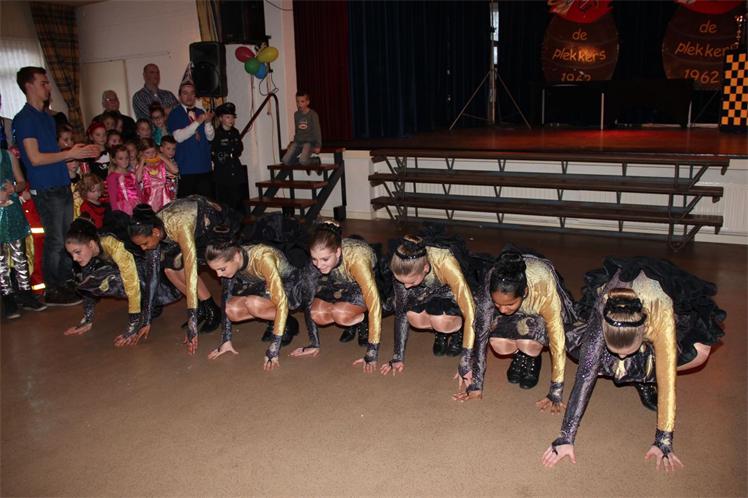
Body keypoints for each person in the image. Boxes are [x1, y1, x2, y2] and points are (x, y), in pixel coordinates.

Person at [542, 257, 725, 471]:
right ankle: (635, 369)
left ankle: (644, 377)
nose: (621, 358)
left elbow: (667, 377)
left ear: (644, 332)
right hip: (614, 309)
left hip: (657, 306)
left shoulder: (661, 313)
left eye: (627, 352)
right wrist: (566, 437)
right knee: (587, 354)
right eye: (615, 351)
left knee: (700, 352)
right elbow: (584, 375)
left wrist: (663, 439)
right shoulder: (603, 308)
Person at [12, 67, 99, 305]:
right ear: (29, 86)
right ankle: (53, 288)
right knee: (55, 239)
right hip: (46, 187)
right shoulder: (25, 119)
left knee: (65, 237)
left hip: (60, 182)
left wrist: (77, 152)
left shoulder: (47, 118)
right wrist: (69, 153)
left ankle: (65, 280)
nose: (48, 87)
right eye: (43, 83)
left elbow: (52, 153)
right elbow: (35, 158)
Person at [454, 250, 577, 410]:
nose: (503, 310)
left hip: (537, 312)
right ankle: (519, 353)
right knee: (499, 344)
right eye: (497, 304)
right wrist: (475, 384)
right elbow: (481, 332)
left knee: (529, 345)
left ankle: (531, 357)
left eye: (509, 304)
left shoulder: (543, 286)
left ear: (524, 292)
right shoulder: (492, 281)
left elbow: (557, 339)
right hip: (515, 307)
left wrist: (556, 390)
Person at [128, 197, 232, 354]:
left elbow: (191, 272)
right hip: (189, 232)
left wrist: (192, 321)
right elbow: (152, 278)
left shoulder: (179, 225)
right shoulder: (153, 231)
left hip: (212, 226)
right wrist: (146, 320)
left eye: (144, 244)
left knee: (185, 269)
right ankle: (204, 307)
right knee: (169, 270)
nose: (143, 248)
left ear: (156, 233)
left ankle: (212, 311)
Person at [63, 216, 181, 346]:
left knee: (118, 279)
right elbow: (87, 286)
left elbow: (132, 283)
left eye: (77, 252)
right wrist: (87, 320)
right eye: (71, 254)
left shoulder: (113, 245)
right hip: (136, 272)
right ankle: (150, 305)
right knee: (94, 278)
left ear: (91, 244)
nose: (74, 258)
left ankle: (153, 303)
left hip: (155, 270)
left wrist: (133, 326)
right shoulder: (87, 253)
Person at [380, 235, 475, 389]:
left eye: (411, 282)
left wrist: (466, 361)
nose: (406, 287)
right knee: (413, 317)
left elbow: (471, 312)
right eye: (402, 282)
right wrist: (397, 356)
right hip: (424, 292)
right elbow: (401, 313)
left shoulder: (446, 262)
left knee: (441, 321)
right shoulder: (402, 266)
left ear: (425, 268)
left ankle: (456, 331)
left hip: (450, 293)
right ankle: (440, 332)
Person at [290, 221, 384, 372]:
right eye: (314, 259)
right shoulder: (316, 262)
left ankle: (362, 320)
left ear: (338, 252)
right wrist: (314, 343)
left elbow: (374, 303)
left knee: (341, 314)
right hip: (337, 280)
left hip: (361, 281)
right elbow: (308, 301)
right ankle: (351, 318)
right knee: (317, 314)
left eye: (325, 259)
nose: (319, 265)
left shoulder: (357, 260)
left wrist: (372, 351)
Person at [204, 238, 304, 369]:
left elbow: (281, 300)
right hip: (262, 285)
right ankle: (281, 319)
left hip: (288, 285)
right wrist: (225, 340)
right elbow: (225, 297)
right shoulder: (232, 260)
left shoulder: (263, 258)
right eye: (215, 270)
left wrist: (274, 348)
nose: (218, 275)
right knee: (231, 310)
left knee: (253, 304)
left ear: (236, 256)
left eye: (222, 269)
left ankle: (285, 321)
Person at [1, 143, 47, 319]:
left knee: (20, 254)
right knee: (1, 259)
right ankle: (7, 297)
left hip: (12, 210)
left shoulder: (8, 155)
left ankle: (26, 293)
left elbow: (21, 182)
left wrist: (13, 188)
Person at [167, 83, 214, 199]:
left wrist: (208, 122)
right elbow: (179, 137)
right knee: (187, 206)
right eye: (185, 93)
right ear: (179, 96)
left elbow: (210, 137)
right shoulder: (175, 113)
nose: (189, 96)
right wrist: (198, 122)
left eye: (192, 93)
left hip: (204, 166)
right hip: (186, 168)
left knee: (205, 204)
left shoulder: (200, 112)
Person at [211, 102, 245, 210]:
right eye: (228, 117)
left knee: (237, 201)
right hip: (223, 173)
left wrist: (231, 153)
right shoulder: (216, 134)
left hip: (235, 170)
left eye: (232, 117)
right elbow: (213, 152)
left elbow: (239, 149)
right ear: (221, 118)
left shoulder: (235, 132)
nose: (231, 120)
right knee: (224, 203)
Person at [282, 91, 321, 166]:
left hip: (309, 142)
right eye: (297, 101)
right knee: (285, 160)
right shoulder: (296, 114)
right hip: (298, 142)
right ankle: (303, 162)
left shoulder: (313, 114)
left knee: (303, 161)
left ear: (307, 102)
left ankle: (315, 161)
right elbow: (297, 130)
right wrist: (293, 142)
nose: (299, 104)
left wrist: (318, 146)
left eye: (302, 101)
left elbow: (317, 131)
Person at [136, 138, 176, 211]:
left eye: (153, 152)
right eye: (147, 153)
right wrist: (142, 161)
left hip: (164, 195)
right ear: (141, 153)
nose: (151, 155)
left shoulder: (161, 163)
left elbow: (175, 171)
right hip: (150, 197)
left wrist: (162, 157)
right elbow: (137, 179)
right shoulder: (142, 166)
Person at [106, 145, 140, 215]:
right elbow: (112, 198)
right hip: (122, 209)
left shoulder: (132, 174)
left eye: (126, 158)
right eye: (120, 158)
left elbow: (139, 191)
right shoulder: (112, 177)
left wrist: (143, 205)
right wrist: (116, 214)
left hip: (137, 206)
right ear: (114, 160)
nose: (124, 161)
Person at [159, 135, 179, 201]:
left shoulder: (172, 160)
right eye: (168, 148)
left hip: (173, 193)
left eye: (174, 149)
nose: (171, 151)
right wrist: (161, 156)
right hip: (163, 196)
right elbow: (175, 170)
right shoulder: (160, 161)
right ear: (161, 149)